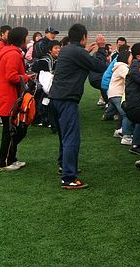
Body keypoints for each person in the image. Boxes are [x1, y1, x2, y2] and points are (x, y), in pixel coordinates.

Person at [48, 24, 107, 189]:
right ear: (84, 37)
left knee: (64, 137)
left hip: (55, 98)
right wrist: (102, 48)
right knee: (71, 139)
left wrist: (86, 52)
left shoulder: (67, 49)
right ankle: (69, 178)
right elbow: (100, 67)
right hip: (67, 100)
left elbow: (80, 59)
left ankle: (64, 165)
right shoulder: (78, 52)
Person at [0, 27, 34, 171]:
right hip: (7, 98)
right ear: (21, 39)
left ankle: (10, 158)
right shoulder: (13, 54)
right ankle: (3, 162)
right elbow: (11, 76)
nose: (28, 39)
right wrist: (27, 77)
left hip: (7, 97)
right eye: (27, 37)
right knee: (11, 131)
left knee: (15, 130)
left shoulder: (12, 52)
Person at [30, 39, 61, 132]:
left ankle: (47, 120)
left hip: (48, 86)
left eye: (59, 48)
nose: (58, 50)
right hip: (40, 86)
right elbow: (33, 69)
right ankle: (43, 120)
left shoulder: (56, 60)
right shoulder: (45, 60)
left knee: (47, 102)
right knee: (44, 102)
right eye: (56, 48)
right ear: (50, 50)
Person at [107, 50, 134, 145]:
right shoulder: (122, 67)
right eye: (131, 57)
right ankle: (126, 136)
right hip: (117, 94)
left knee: (122, 114)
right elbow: (129, 77)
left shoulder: (119, 66)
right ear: (126, 58)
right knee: (126, 113)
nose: (132, 59)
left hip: (113, 94)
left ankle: (119, 131)